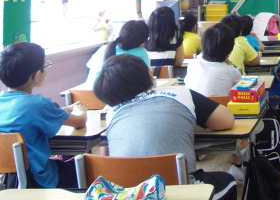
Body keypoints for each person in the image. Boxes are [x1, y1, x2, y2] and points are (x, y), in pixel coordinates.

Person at [93, 54, 237, 200]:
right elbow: (226, 120)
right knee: (228, 181)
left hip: (127, 195)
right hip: (179, 193)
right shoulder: (180, 93)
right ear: (149, 76)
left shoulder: (111, 114)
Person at [0, 42, 87, 189]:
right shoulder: (38, 104)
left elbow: (28, 114)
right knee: (84, 167)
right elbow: (80, 122)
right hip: (37, 180)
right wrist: (80, 110)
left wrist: (66, 109)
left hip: (8, 181)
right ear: (36, 75)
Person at [85, 20, 150, 86]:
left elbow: (88, 68)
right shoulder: (141, 52)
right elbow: (146, 79)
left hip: (87, 90)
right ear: (142, 41)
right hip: (112, 91)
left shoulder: (103, 49)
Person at [184, 23, 243, 96]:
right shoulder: (232, 72)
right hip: (219, 103)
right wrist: (230, 64)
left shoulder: (193, 65)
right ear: (230, 51)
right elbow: (241, 92)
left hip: (192, 103)